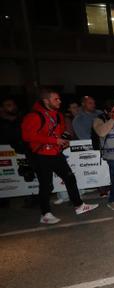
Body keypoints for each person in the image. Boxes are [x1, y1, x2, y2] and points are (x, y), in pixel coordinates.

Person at [21, 88, 98, 224]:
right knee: (46, 185)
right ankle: (45, 214)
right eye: (56, 99)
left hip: (56, 153)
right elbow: (28, 136)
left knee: (70, 178)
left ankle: (79, 206)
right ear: (46, 100)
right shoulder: (34, 116)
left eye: (59, 98)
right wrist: (55, 141)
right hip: (41, 155)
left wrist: (63, 140)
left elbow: (61, 132)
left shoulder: (58, 115)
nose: (59, 101)